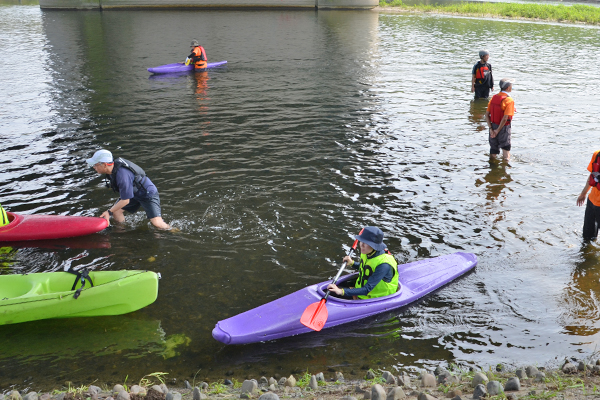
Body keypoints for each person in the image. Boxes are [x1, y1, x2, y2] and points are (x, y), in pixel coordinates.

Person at [86, 149, 171, 230]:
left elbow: (125, 200)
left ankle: (174, 231)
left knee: (157, 223)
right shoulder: (112, 170)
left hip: (147, 193)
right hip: (133, 192)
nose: (94, 167)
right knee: (116, 212)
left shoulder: (122, 176)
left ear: (104, 165)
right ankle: (122, 231)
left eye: (95, 165)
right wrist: (111, 211)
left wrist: (108, 212)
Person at [327, 226, 398, 299]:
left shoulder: (384, 264)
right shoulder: (367, 252)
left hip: (374, 297)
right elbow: (366, 268)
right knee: (327, 290)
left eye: (366, 243)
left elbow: (367, 289)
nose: (362, 245)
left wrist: (341, 291)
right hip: (362, 291)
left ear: (375, 246)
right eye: (361, 241)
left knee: (333, 292)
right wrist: (352, 263)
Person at [484, 78, 515, 161]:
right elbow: (505, 118)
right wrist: (498, 130)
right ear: (508, 87)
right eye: (511, 85)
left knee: (493, 149)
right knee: (506, 148)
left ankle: (493, 167)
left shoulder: (493, 97)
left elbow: (486, 114)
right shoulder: (509, 100)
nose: (512, 87)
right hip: (503, 128)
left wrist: (491, 129)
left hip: (492, 126)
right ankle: (505, 169)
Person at [577, 150, 600, 241]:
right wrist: (583, 193)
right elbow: (593, 175)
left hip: (594, 203)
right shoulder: (597, 154)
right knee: (587, 237)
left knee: (588, 237)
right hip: (592, 201)